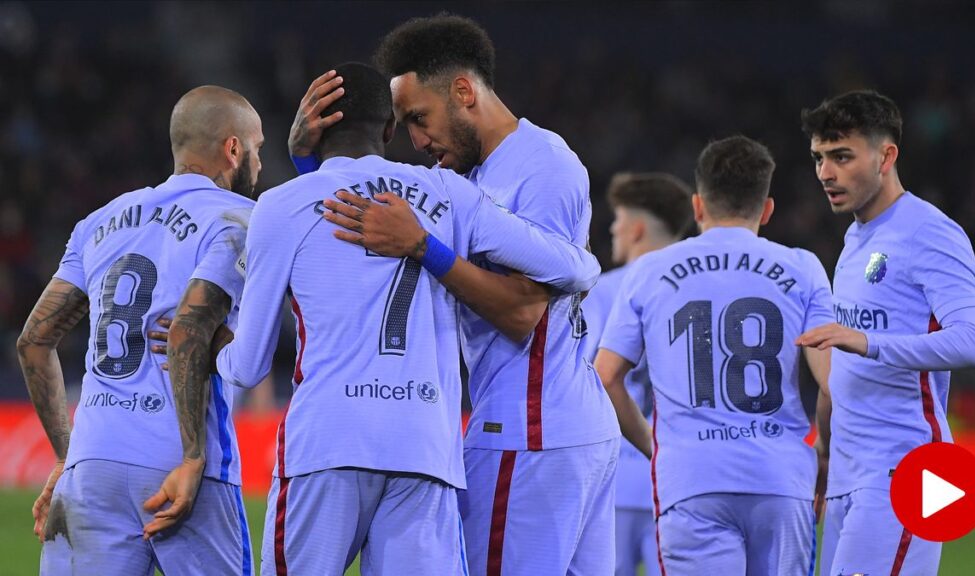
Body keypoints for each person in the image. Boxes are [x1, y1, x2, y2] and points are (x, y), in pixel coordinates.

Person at [214, 62, 600, 575]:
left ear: (314, 127)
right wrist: (589, 261)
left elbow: (247, 367)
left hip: (325, 447)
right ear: (390, 129)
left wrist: (209, 342)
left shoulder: (280, 206)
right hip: (424, 450)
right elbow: (571, 267)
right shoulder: (447, 194)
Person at [16, 85, 262, 575]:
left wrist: (70, 458)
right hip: (180, 463)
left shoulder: (99, 221)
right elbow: (189, 331)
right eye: (257, 149)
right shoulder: (237, 219)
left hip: (93, 465)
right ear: (234, 148)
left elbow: (34, 341)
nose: (259, 163)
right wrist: (194, 456)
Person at [594, 136, 833, 574]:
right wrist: (824, 454)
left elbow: (606, 376)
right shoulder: (803, 267)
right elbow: (831, 385)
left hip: (691, 479)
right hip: (781, 478)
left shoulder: (649, 271)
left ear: (699, 206)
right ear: (766, 210)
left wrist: (655, 447)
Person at [796, 90, 975, 576]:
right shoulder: (855, 239)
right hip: (848, 474)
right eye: (820, 158)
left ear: (886, 156)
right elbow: (843, 372)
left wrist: (867, 343)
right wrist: (823, 451)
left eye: (842, 157)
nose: (826, 173)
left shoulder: (930, 232)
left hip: (904, 473)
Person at [580, 172, 693, 576]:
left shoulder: (601, 291)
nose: (613, 227)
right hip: (684, 478)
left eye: (619, 218)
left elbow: (587, 376)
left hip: (613, 478)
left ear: (638, 228)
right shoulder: (698, 290)